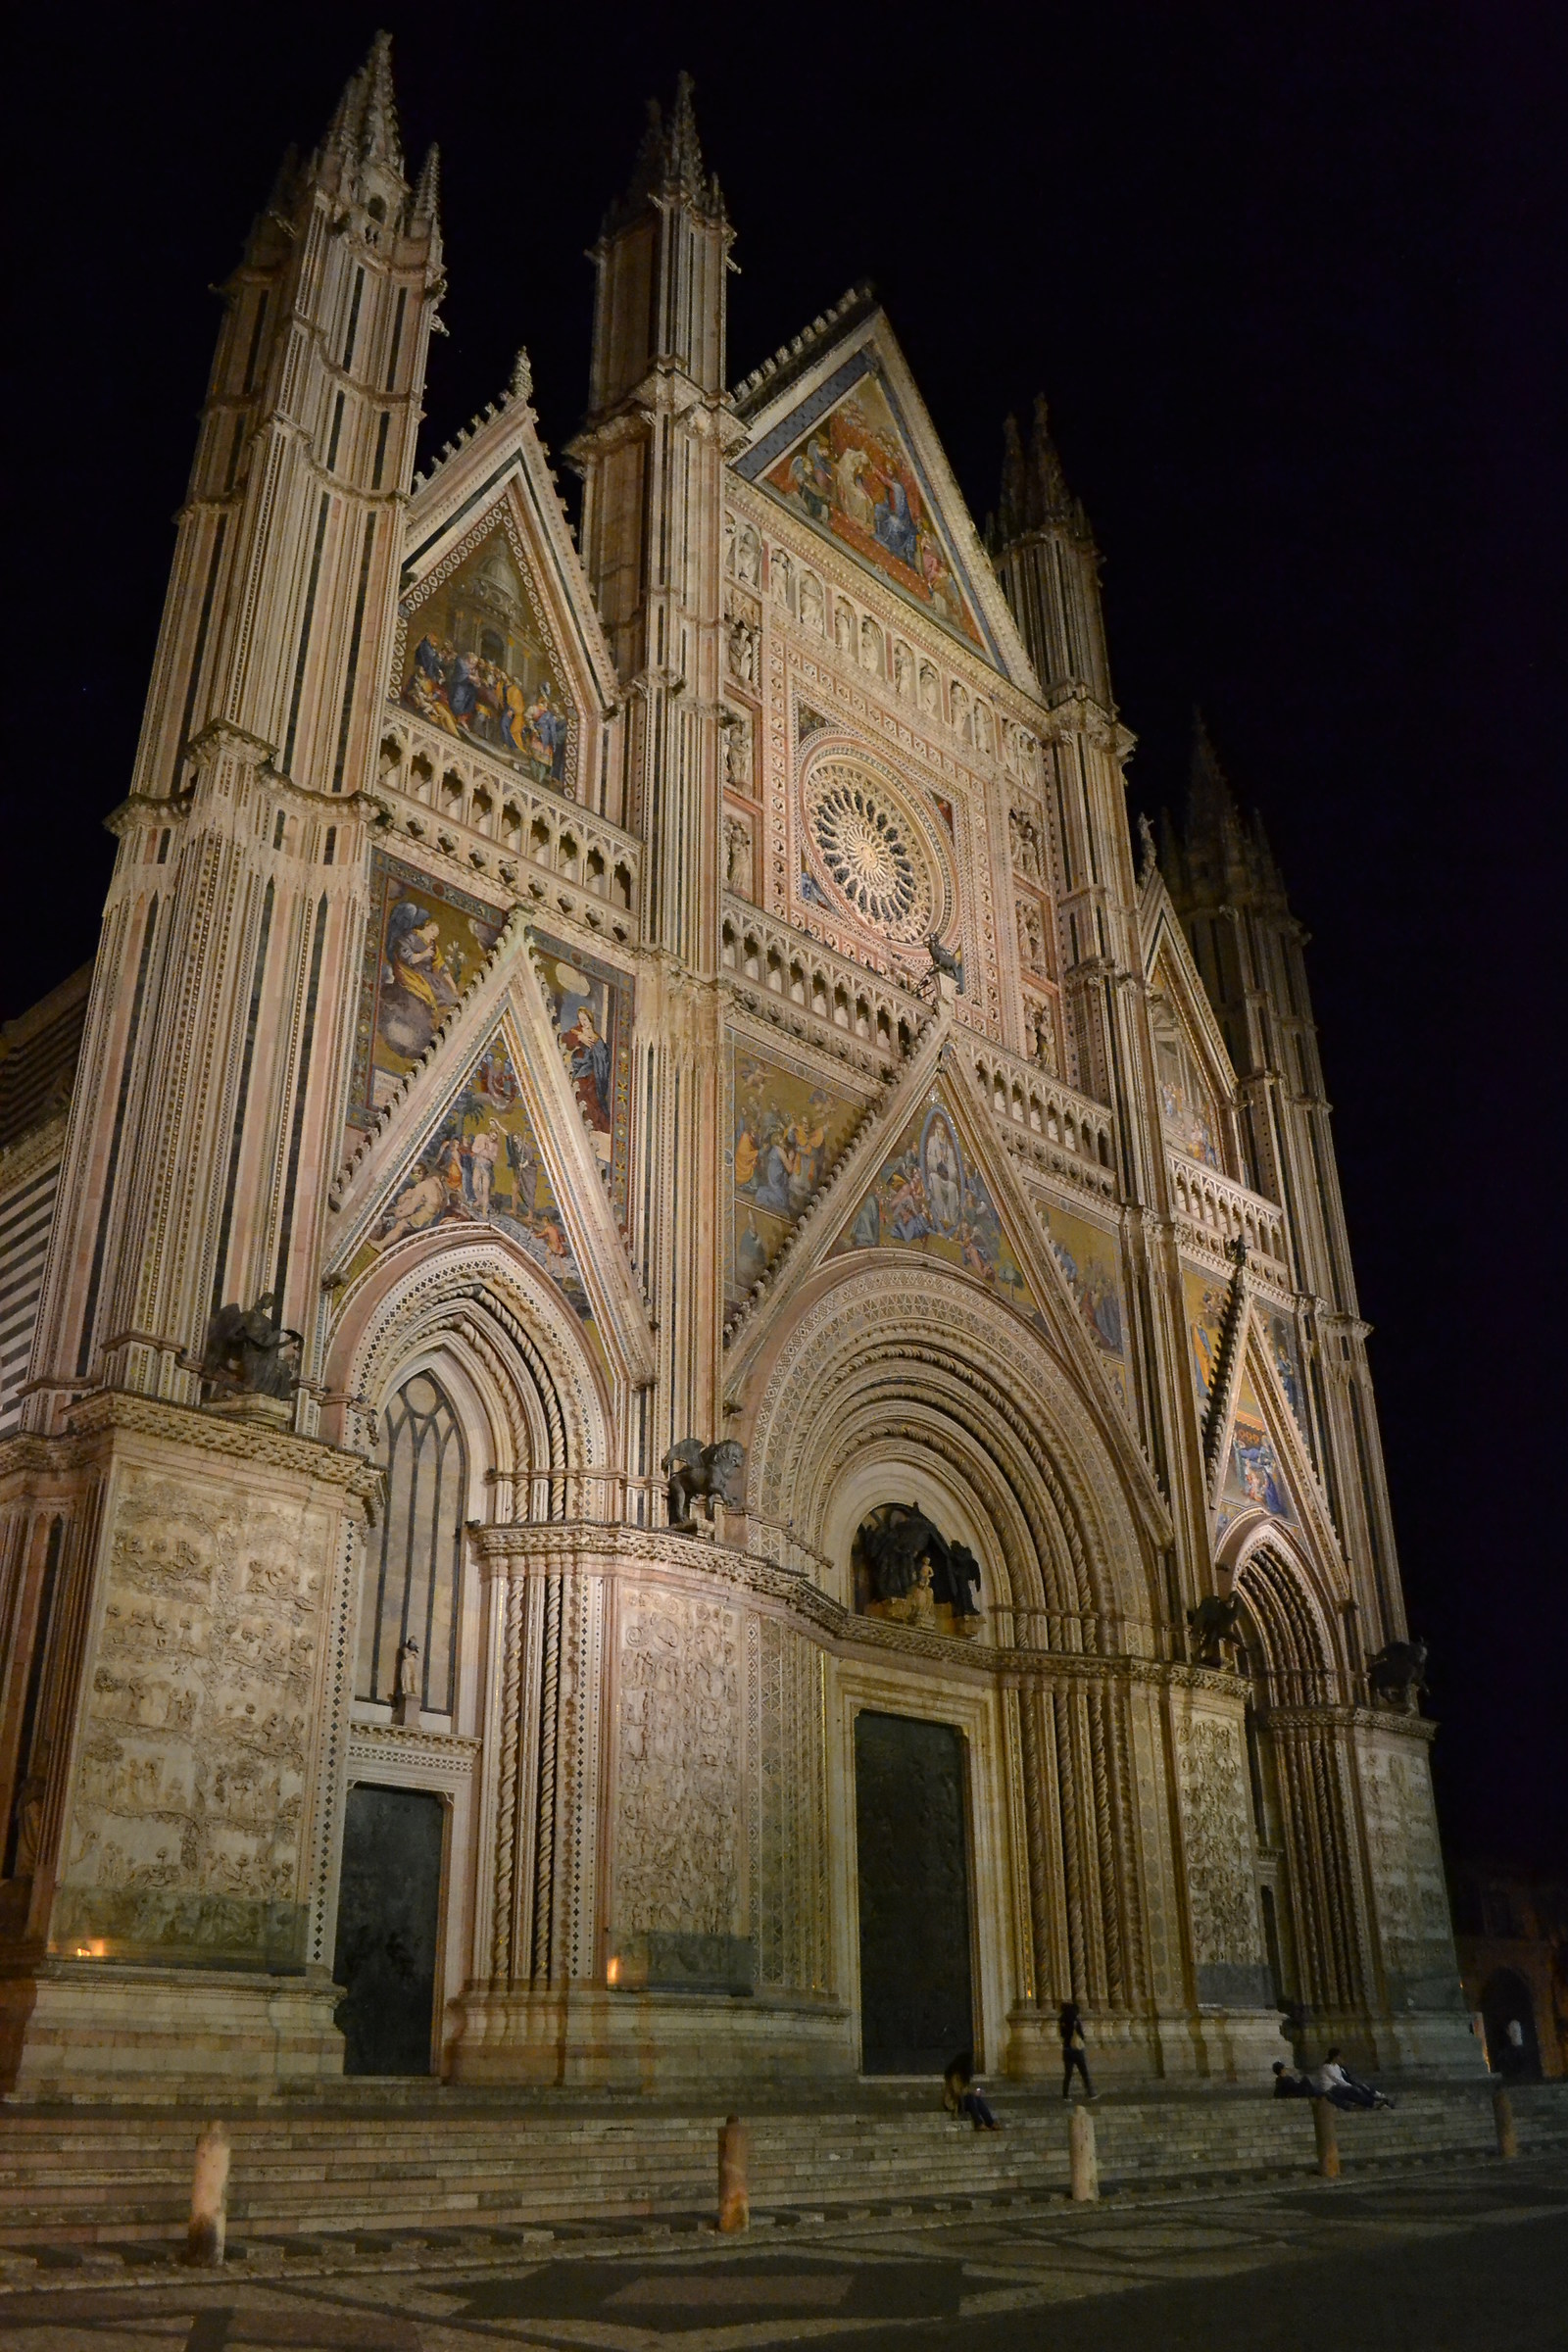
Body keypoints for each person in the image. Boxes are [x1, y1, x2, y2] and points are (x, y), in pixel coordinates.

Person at [1307, 2046, 1395, 2110]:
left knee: (1360, 2087)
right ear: (1335, 2057)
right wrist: (1350, 2086)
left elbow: (1341, 2079)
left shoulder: (1337, 2066)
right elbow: (1337, 2079)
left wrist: (1351, 2085)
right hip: (1330, 2088)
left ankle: (1378, 2100)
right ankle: (1373, 2102)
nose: (1341, 2058)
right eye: (1339, 2056)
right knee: (1354, 2090)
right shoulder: (1327, 2067)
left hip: (1339, 2087)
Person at [943, 2050, 1001, 2132]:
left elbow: (966, 2091)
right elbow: (957, 2092)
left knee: (977, 2099)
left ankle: (990, 2122)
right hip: (954, 2103)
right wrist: (971, 2093)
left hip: (963, 2101)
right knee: (971, 2098)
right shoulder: (955, 2076)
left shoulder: (964, 2077)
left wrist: (974, 2092)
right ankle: (978, 2123)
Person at [1060, 2001, 1096, 2101]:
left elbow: (1062, 2035)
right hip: (1076, 2050)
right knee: (1084, 2072)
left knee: (1068, 2074)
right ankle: (1090, 2093)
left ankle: (1065, 2095)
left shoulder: (1062, 2020)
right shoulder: (1075, 2021)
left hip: (1067, 2049)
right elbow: (1081, 2034)